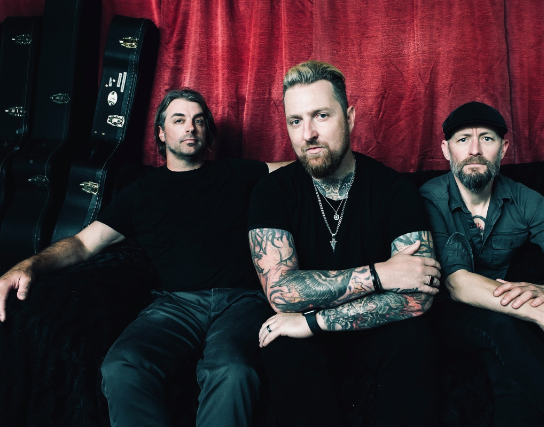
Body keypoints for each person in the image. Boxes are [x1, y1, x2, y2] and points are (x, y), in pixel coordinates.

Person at [0, 88, 288, 427]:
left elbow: (297, 170)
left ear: (208, 132)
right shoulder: (139, 193)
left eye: (198, 120)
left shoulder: (239, 172)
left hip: (241, 300)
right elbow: (82, 244)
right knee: (121, 366)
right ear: (161, 133)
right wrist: (28, 265)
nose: (190, 127)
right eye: (179, 120)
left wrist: (331, 152)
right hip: (176, 305)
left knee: (232, 369)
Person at [247, 60, 441, 427]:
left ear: (349, 118)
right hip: (302, 337)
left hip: (370, 330)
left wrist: (314, 322)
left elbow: (420, 295)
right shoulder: (272, 192)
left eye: (321, 116)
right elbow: (282, 293)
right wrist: (381, 274)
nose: (308, 134)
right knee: (282, 345)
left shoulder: (393, 189)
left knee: (414, 338)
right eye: (295, 121)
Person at [420, 101, 544, 427]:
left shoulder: (524, 199)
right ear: (446, 149)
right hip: (443, 312)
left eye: (487, 139)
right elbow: (457, 282)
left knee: (513, 377)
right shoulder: (429, 198)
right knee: (505, 326)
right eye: (463, 139)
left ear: (504, 148)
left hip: (505, 307)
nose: (475, 150)